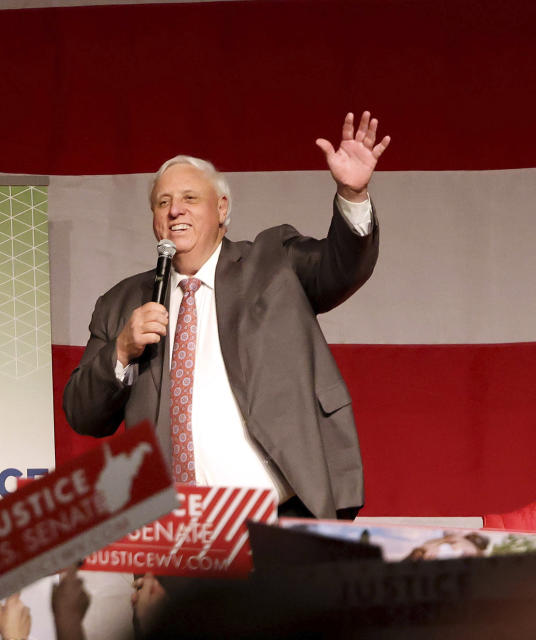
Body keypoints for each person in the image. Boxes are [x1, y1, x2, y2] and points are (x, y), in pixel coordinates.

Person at [63, 112, 390, 520]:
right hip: (175, 528)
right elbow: (82, 414)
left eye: (189, 198)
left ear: (221, 208)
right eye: (162, 203)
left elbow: (342, 267)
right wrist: (122, 351)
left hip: (284, 514)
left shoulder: (273, 261)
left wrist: (352, 194)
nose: (174, 211)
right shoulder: (122, 303)